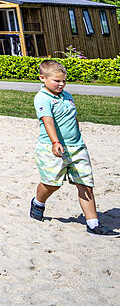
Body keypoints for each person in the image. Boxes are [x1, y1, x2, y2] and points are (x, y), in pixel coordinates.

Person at [29, 59, 116, 235]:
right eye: (57, 81)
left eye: (63, 81)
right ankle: (38, 201)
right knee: (52, 183)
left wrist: (77, 131)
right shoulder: (42, 98)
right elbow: (48, 121)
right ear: (42, 78)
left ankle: (93, 224)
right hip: (51, 147)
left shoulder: (67, 96)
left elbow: (72, 116)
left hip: (76, 147)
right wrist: (55, 142)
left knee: (85, 183)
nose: (61, 84)